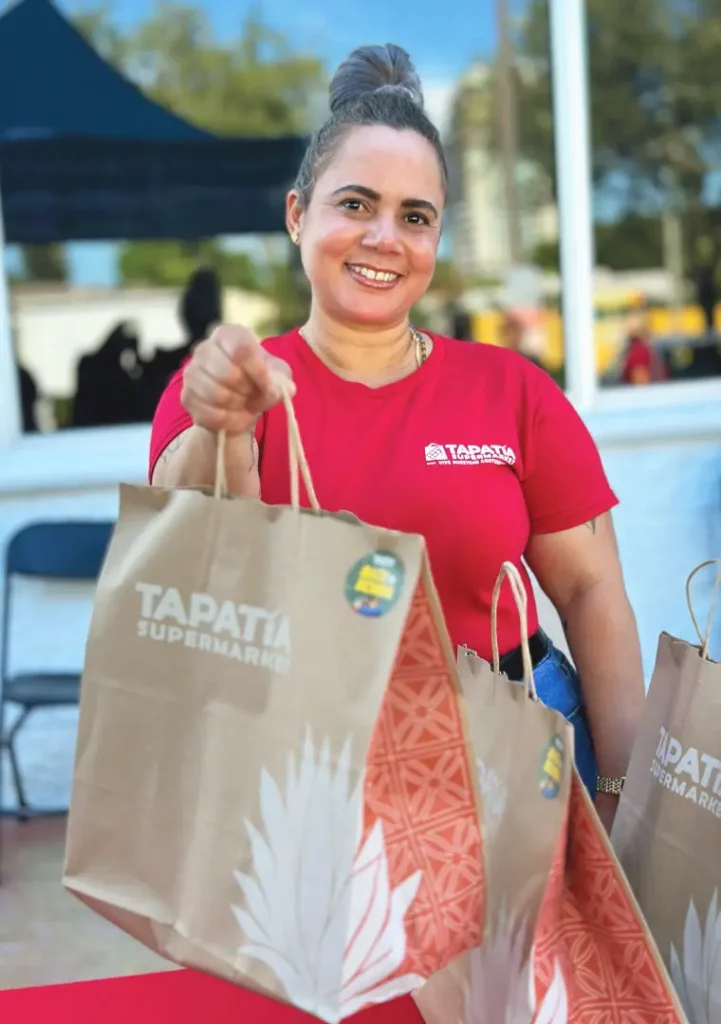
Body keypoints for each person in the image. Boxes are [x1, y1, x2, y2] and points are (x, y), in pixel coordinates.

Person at [149, 43, 645, 833]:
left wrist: (623, 795)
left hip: (517, 753)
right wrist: (223, 427)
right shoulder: (230, 383)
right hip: (308, 766)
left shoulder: (510, 391)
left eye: (415, 217)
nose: (384, 237)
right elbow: (188, 564)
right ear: (296, 215)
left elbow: (592, 593)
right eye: (355, 204)